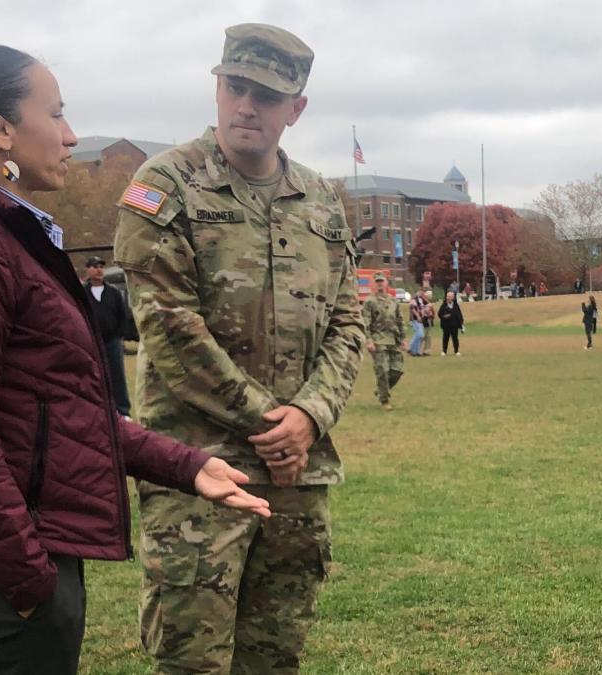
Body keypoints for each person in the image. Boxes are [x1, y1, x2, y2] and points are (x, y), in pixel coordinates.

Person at [0, 44, 271, 675]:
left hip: (27, 556)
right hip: (1, 571)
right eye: (56, 115)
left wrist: (189, 466)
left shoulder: (7, 236)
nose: (69, 137)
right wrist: (27, 578)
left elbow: (63, 409)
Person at [111, 23, 365, 674]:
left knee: (275, 656)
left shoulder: (321, 205)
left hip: (296, 474)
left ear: (296, 110)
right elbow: (168, 325)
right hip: (197, 469)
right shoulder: (166, 186)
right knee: (191, 659)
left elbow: (347, 321)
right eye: (236, 87)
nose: (247, 105)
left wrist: (308, 416)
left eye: (267, 95)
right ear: (217, 87)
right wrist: (266, 421)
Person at [83, 255, 139, 417]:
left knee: (117, 376)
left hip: (112, 341)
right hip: (92, 342)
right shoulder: (83, 292)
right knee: (94, 376)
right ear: (88, 270)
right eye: (95, 266)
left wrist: (120, 334)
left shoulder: (113, 292)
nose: (99, 269)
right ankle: (97, 410)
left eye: (101, 266)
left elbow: (122, 315)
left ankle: (122, 410)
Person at [363, 276, 408, 410]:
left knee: (397, 370)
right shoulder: (370, 301)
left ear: (386, 283)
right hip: (378, 339)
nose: (380, 285)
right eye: (377, 282)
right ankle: (385, 400)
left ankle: (381, 389)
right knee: (382, 370)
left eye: (382, 282)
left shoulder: (393, 301)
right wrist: (369, 340)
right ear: (374, 284)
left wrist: (403, 338)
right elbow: (365, 321)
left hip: (393, 339)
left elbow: (400, 320)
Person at [438, 291, 464, 356]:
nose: (449, 298)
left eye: (451, 296)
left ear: (453, 297)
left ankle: (456, 351)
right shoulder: (444, 305)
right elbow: (439, 314)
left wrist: (461, 322)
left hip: (454, 325)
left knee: (455, 338)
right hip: (446, 325)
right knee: (445, 338)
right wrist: (444, 316)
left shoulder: (455, 305)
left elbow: (459, 314)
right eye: (448, 296)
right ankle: (444, 351)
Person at [408, 288, 431, 356]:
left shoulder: (421, 299)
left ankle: (416, 351)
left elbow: (428, 305)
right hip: (415, 319)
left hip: (421, 319)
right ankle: (411, 347)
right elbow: (412, 309)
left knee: (420, 335)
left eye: (423, 292)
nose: (422, 293)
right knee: (420, 334)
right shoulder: (414, 300)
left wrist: (427, 312)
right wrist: (418, 316)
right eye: (420, 292)